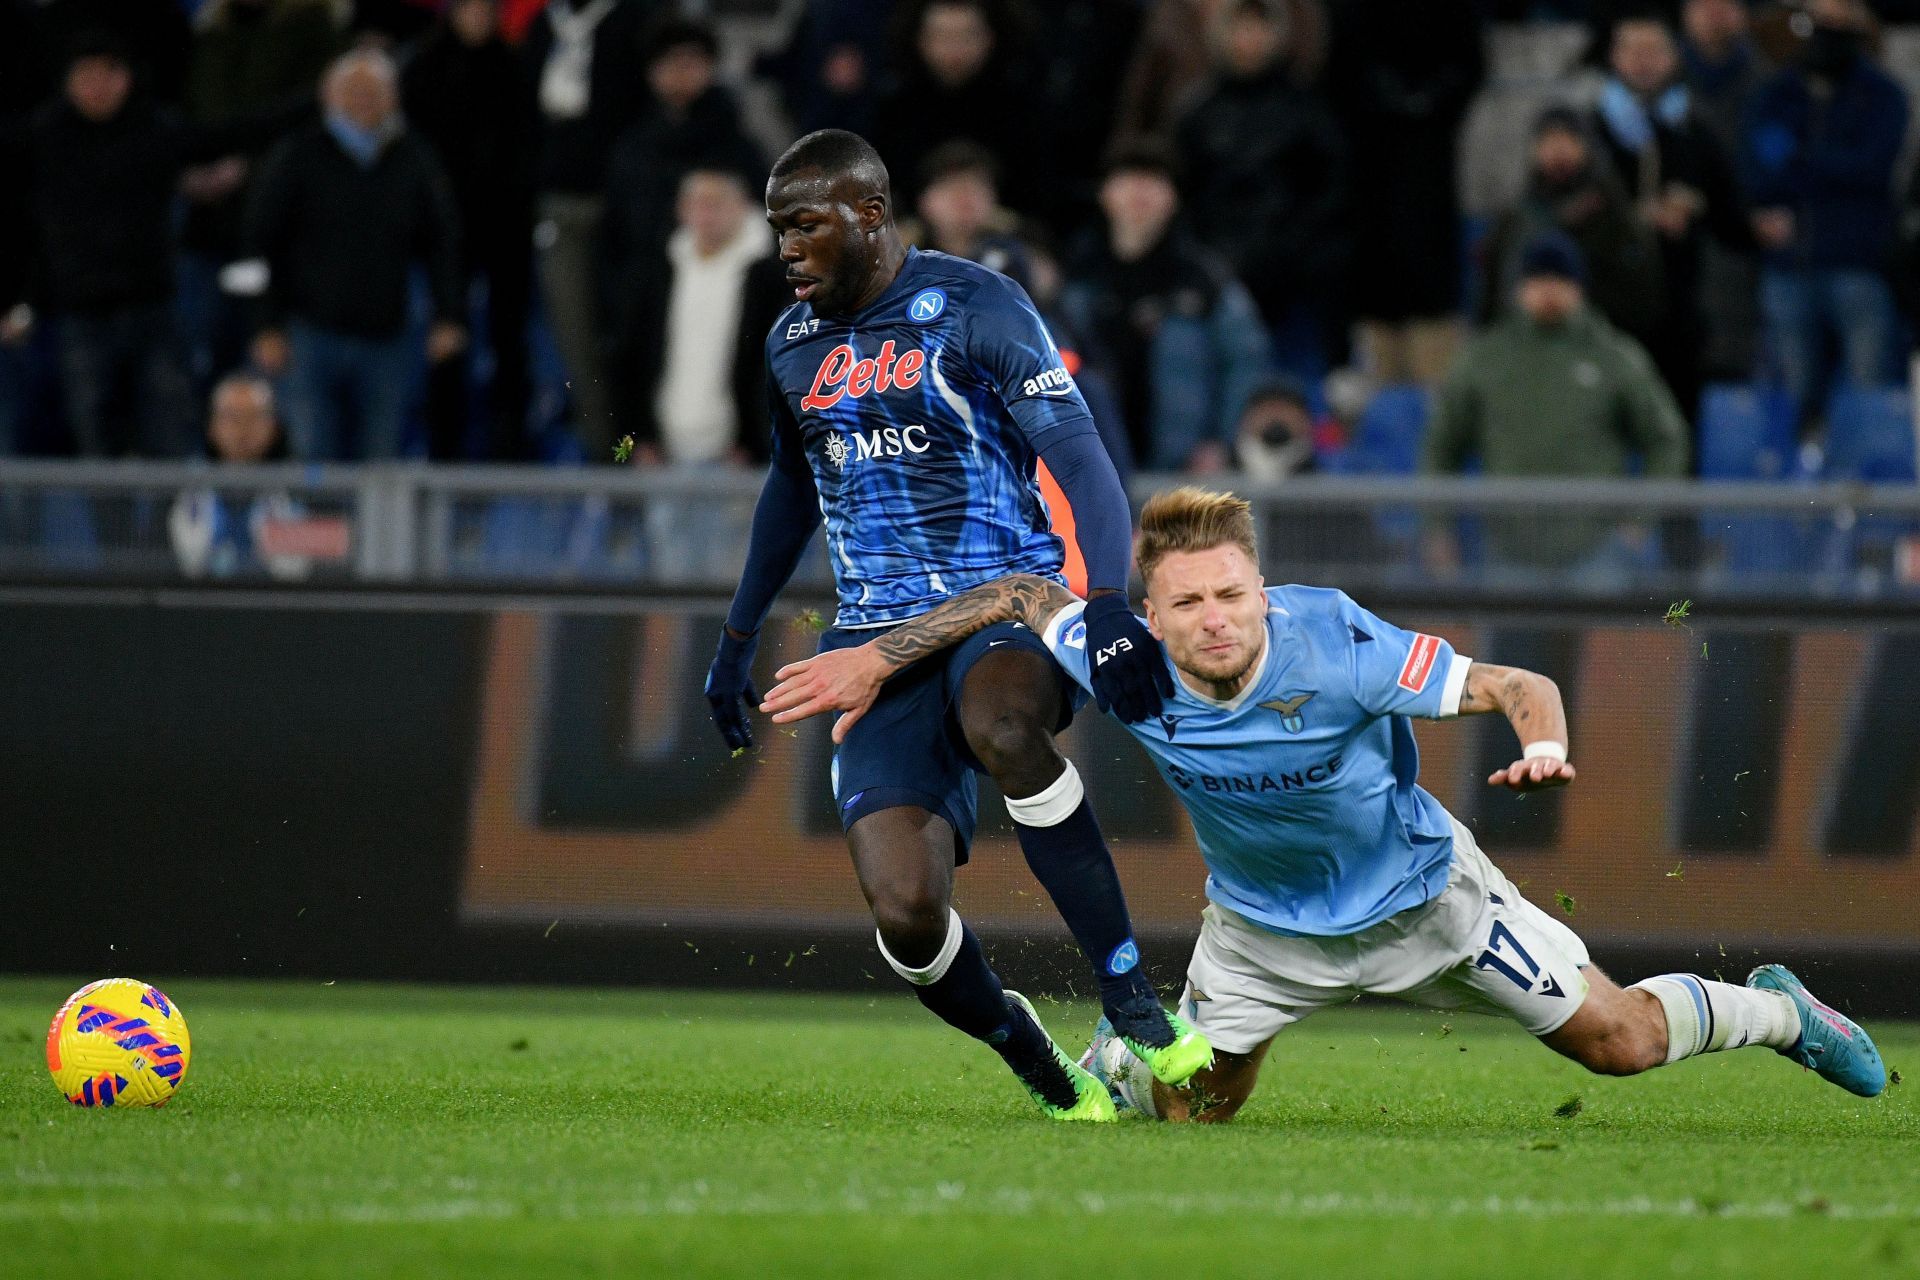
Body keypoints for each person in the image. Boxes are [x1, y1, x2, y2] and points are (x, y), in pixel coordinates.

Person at [762, 487, 1889, 1124]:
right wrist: (877, 659)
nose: (1217, 619)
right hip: (1261, 928)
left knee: (1624, 1042)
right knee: (1192, 1117)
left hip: (1427, 897)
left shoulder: (1338, 643)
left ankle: (1783, 1012)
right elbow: (1015, 588)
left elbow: (1513, 684)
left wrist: (1543, 741)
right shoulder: (1122, 657)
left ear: (1264, 586)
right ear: (1148, 613)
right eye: (1189, 600)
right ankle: (1125, 1050)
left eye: (1234, 593)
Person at [703, 129, 1207, 1121]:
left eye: (805, 225)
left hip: (1004, 607)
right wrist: (735, 634)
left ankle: (1129, 995)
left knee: (1004, 724)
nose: (787, 250)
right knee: (905, 912)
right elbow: (788, 486)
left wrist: (1107, 599)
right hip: (875, 638)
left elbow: (1079, 452)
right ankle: (1031, 1049)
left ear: (873, 214)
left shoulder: (975, 303)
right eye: (776, 231)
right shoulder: (790, 343)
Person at [2, 33, 302, 458]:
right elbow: (20, 228)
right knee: (95, 446)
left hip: (152, 312)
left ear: (125, 80)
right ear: (68, 82)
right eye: (86, 76)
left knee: (170, 433)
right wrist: (20, 298)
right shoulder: (44, 138)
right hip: (80, 317)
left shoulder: (153, 131)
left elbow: (229, 133)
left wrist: (312, 102)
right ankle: (113, 530)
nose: (97, 86)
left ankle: (172, 526)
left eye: (108, 74)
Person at [243, 49, 465, 460]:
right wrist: (264, 324)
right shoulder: (297, 156)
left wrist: (448, 316)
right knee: (312, 460)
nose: (364, 99)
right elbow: (255, 245)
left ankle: (373, 530)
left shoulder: (415, 159)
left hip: (386, 338)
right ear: (328, 95)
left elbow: (443, 242)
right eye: (353, 90)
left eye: (374, 90)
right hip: (309, 336)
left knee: (380, 463)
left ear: (394, 98)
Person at [1429, 233, 1688, 576]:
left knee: (1605, 624)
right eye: (1538, 279)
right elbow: (1442, 445)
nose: (1549, 290)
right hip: (1508, 551)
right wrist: (1439, 527)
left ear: (1579, 288)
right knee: (1507, 626)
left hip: (1596, 550)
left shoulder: (1613, 355)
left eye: (1560, 279)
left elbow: (1666, 439)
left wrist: (1637, 523)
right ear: (1519, 289)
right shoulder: (1486, 357)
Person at [1058, 143, 1274, 472]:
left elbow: (1246, 361)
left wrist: (1222, 441)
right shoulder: (1077, 277)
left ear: (1172, 198)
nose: (1139, 192)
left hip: (1180, 469)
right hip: (1090, 467)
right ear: (1105, 194)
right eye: (1128, 178)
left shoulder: (1205, 279)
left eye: (1153, 180)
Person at [1745, 0, 1907, 427]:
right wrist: (1827, 165)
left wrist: (1802, 162)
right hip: (1788, 264)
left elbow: (1871, 168)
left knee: (1867, 391)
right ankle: (1796, 488)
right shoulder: (1777, 92)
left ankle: (1865, 489)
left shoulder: (1884, 95)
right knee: (1789, 393)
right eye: (1819, 24)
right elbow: (1763, 161)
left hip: (1858, 261)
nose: (1826, 37)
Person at [1589, 13, 1752, 422]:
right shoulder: (1591, 133)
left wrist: (1697, 210)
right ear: (1613, 57)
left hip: (1683, 315)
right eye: (1633, 51)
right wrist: (1634, 218)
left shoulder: (1697, 132)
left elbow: (1729, 218)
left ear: (1675, 57)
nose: (1644, 62)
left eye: (1655, 51)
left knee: (1678, 429)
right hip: (1608, 315)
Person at [1173, 0, 1347, 380]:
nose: (1249, 41)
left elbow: (1330, 192)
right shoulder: (1196, 113)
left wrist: (1292, 246)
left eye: (1258, 30)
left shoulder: (1306, 109)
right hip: (1218, 267)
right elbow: (1183, 198)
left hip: (1296, 270)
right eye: (1240, 30)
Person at [401, 0, 535, 460]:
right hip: (443, 232)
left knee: (509, 338)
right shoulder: (423, 67)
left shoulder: (515, 66)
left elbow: (525, 147)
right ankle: (445, 449)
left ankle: (510, 446)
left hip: (505, 227)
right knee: (447, 335)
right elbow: (414, 151)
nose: (476, 16)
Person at [1325, 0, 1484, 388]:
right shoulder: (1349, 15)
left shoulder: (1453, 14)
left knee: (1436, 391)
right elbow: (1337, 72)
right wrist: (1377, 96)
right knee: (1376, 395)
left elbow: (1471, 64)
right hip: (1369, 217)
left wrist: (1432, 98)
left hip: (1430, 225)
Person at [522, 0, 650, 459]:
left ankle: (640, 449)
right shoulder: (544, 25)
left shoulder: (637, 20)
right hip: (559, 205)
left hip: (626, 211)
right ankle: (606, 454)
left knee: (630, 334)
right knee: (575, 341)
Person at [1477, 107, 1666, 356]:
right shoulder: (1517, 217)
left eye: (1568, 139)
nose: (1558, 150)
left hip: (1595, 353)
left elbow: (1641, 299)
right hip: (1524, 351)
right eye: (1549, 140)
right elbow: (1494, 295)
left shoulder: (1612, 212)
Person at [871, 0, 1036, 216]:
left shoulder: (1020, 107)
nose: (955, 51)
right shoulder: (895, 109)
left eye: (967, 36)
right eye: (943, 37)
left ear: (989, 39)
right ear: (921, 40)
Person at [168, 372, 313, 581]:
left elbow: (294, 571)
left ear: (273, 427)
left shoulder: (300, 489)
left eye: (254, 417)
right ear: (212, 427)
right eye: (233, 417)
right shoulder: (181, 486)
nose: (243, 430)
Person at [901, 141, 1034, 289]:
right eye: (952, 187)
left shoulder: (1011, 252)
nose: (965, 199)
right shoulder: (903, 259)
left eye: (976, 187)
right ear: (925, 200)